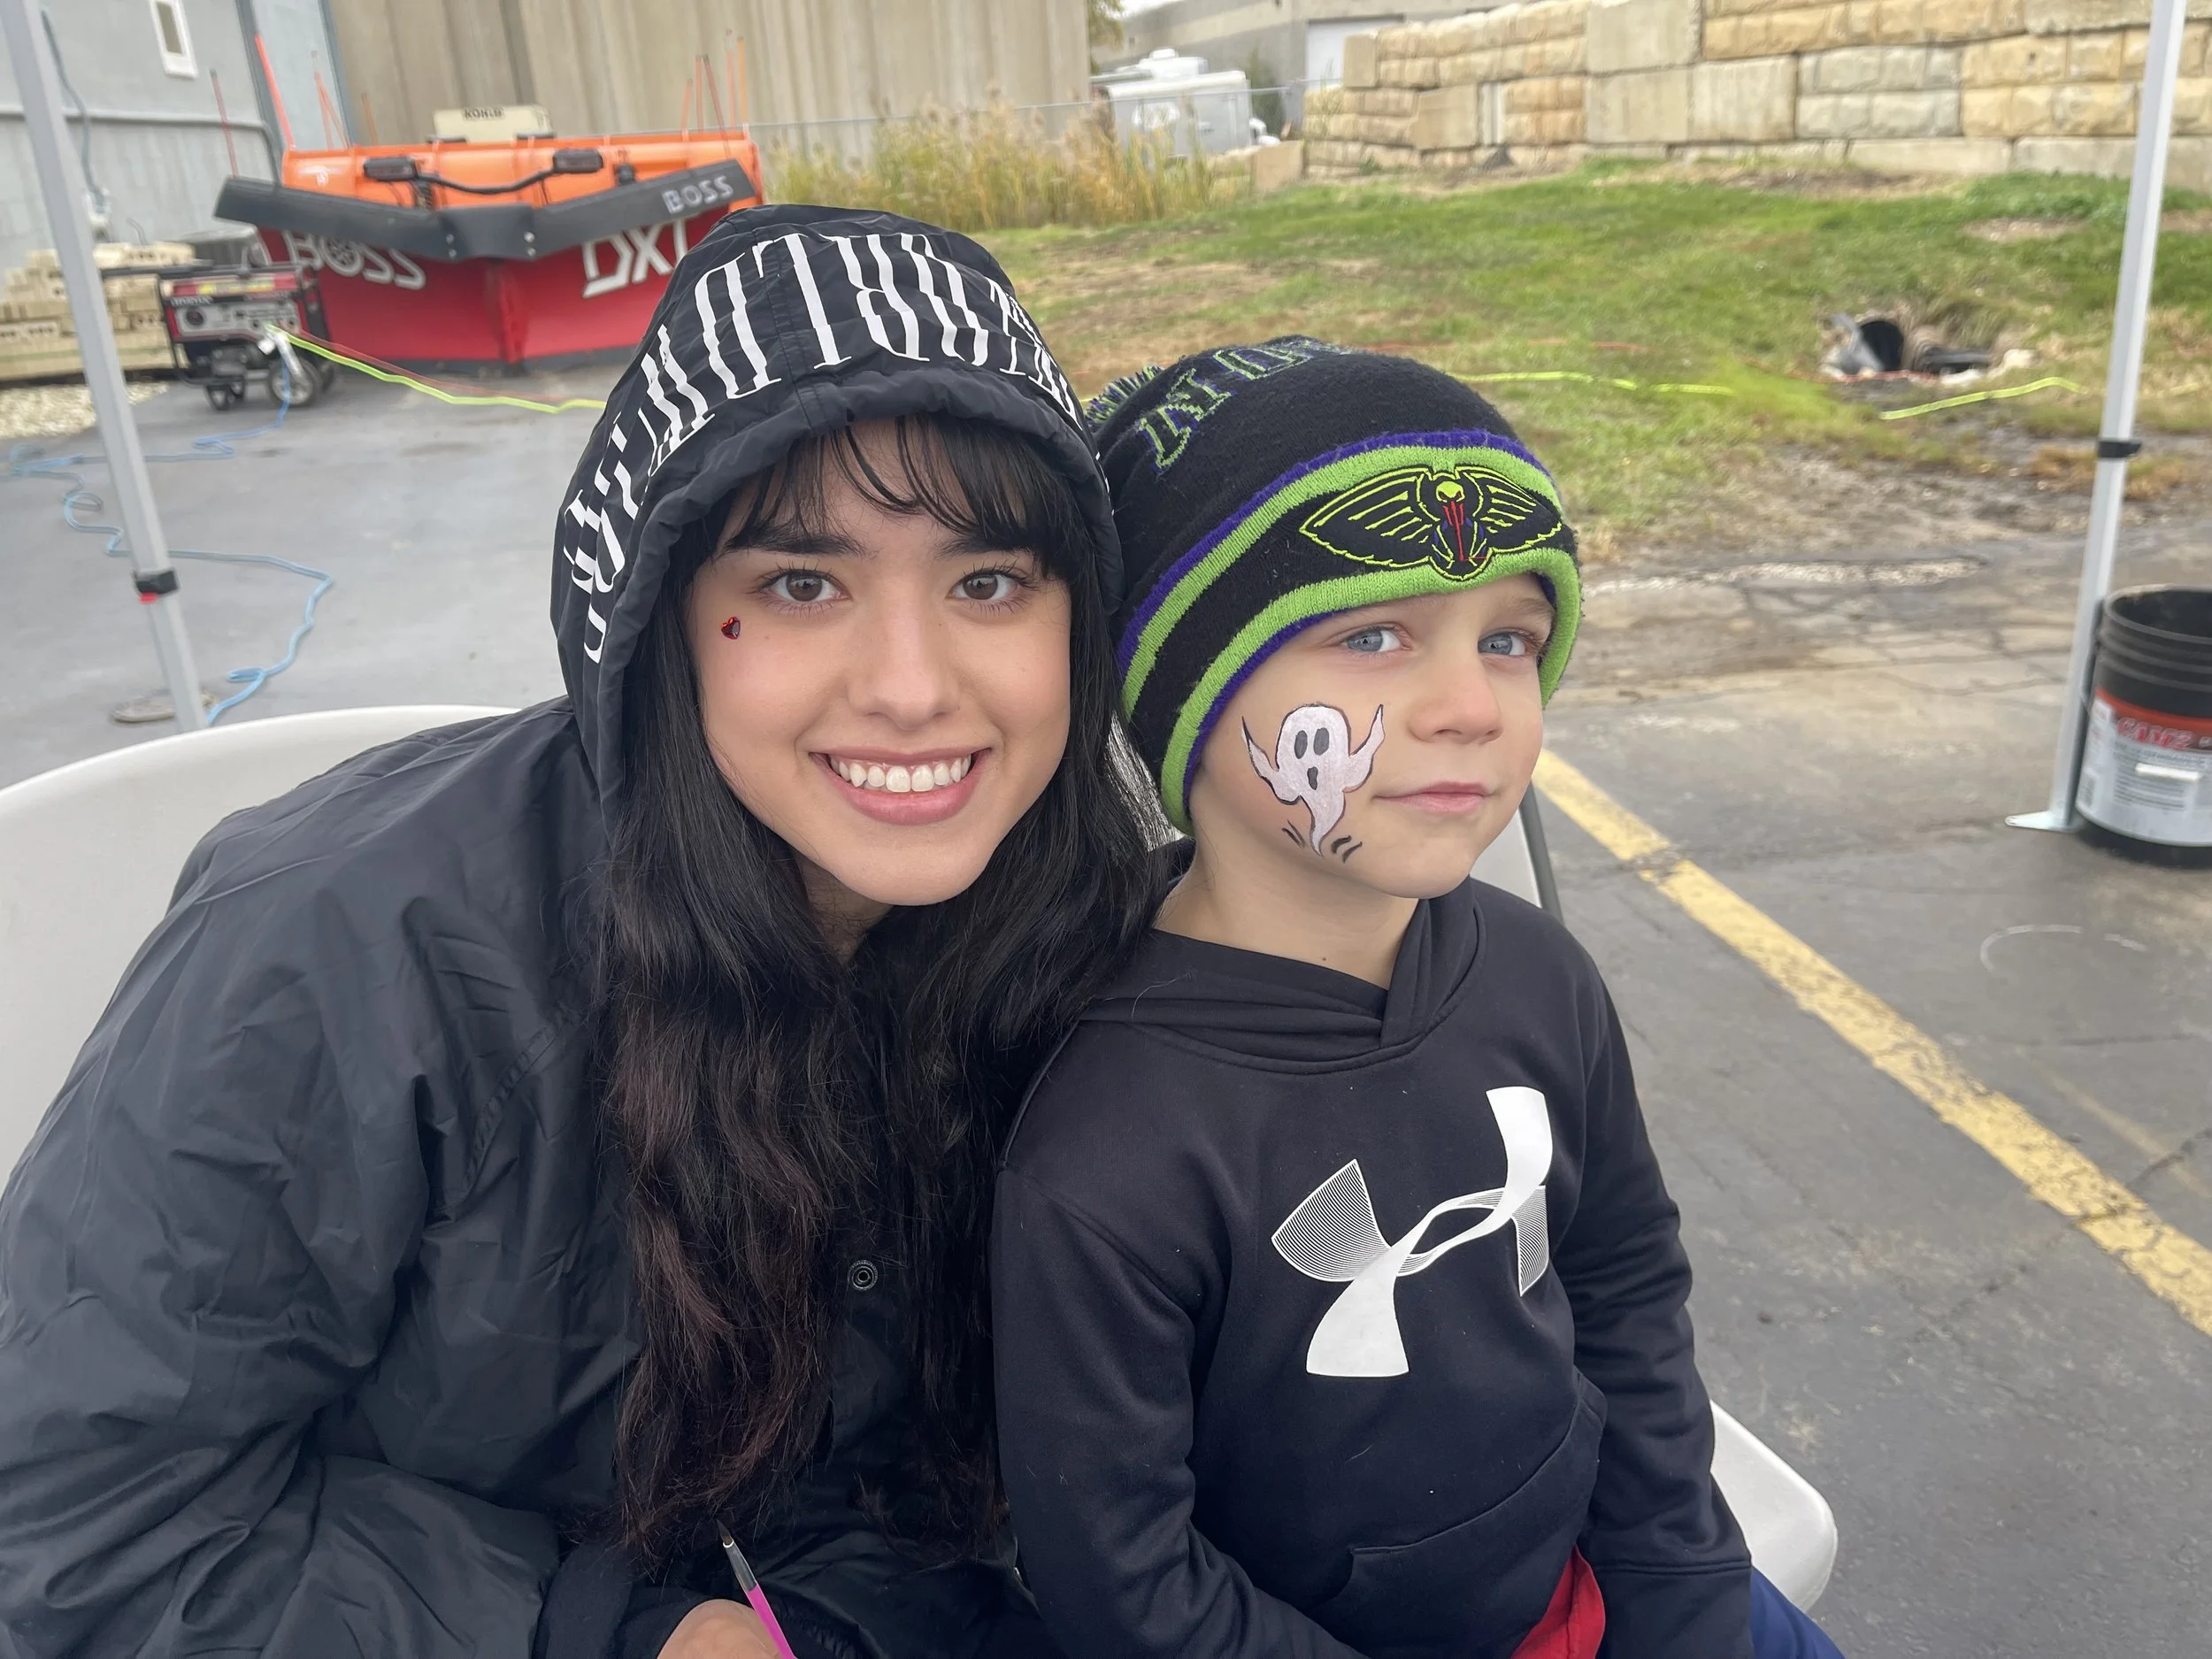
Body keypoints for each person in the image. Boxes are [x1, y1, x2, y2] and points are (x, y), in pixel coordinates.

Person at [0, 206, 1157, 1659]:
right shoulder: (345, 953)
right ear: (656, 618)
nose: (914, 687)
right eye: (801, 584)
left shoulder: (1093, 919)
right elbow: (71, 1521)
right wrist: (601, 1632)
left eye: (988, 582)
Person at [990, 341, 1847, 1659]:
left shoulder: (1540, 975)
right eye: (1372, 635)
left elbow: (1623, 1286)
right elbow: (1123, 1575)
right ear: (1184, 692)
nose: (1469, 706)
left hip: (1611, 1586)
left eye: (1509, 639)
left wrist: (1680, 1588)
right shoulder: (1106, 1149)